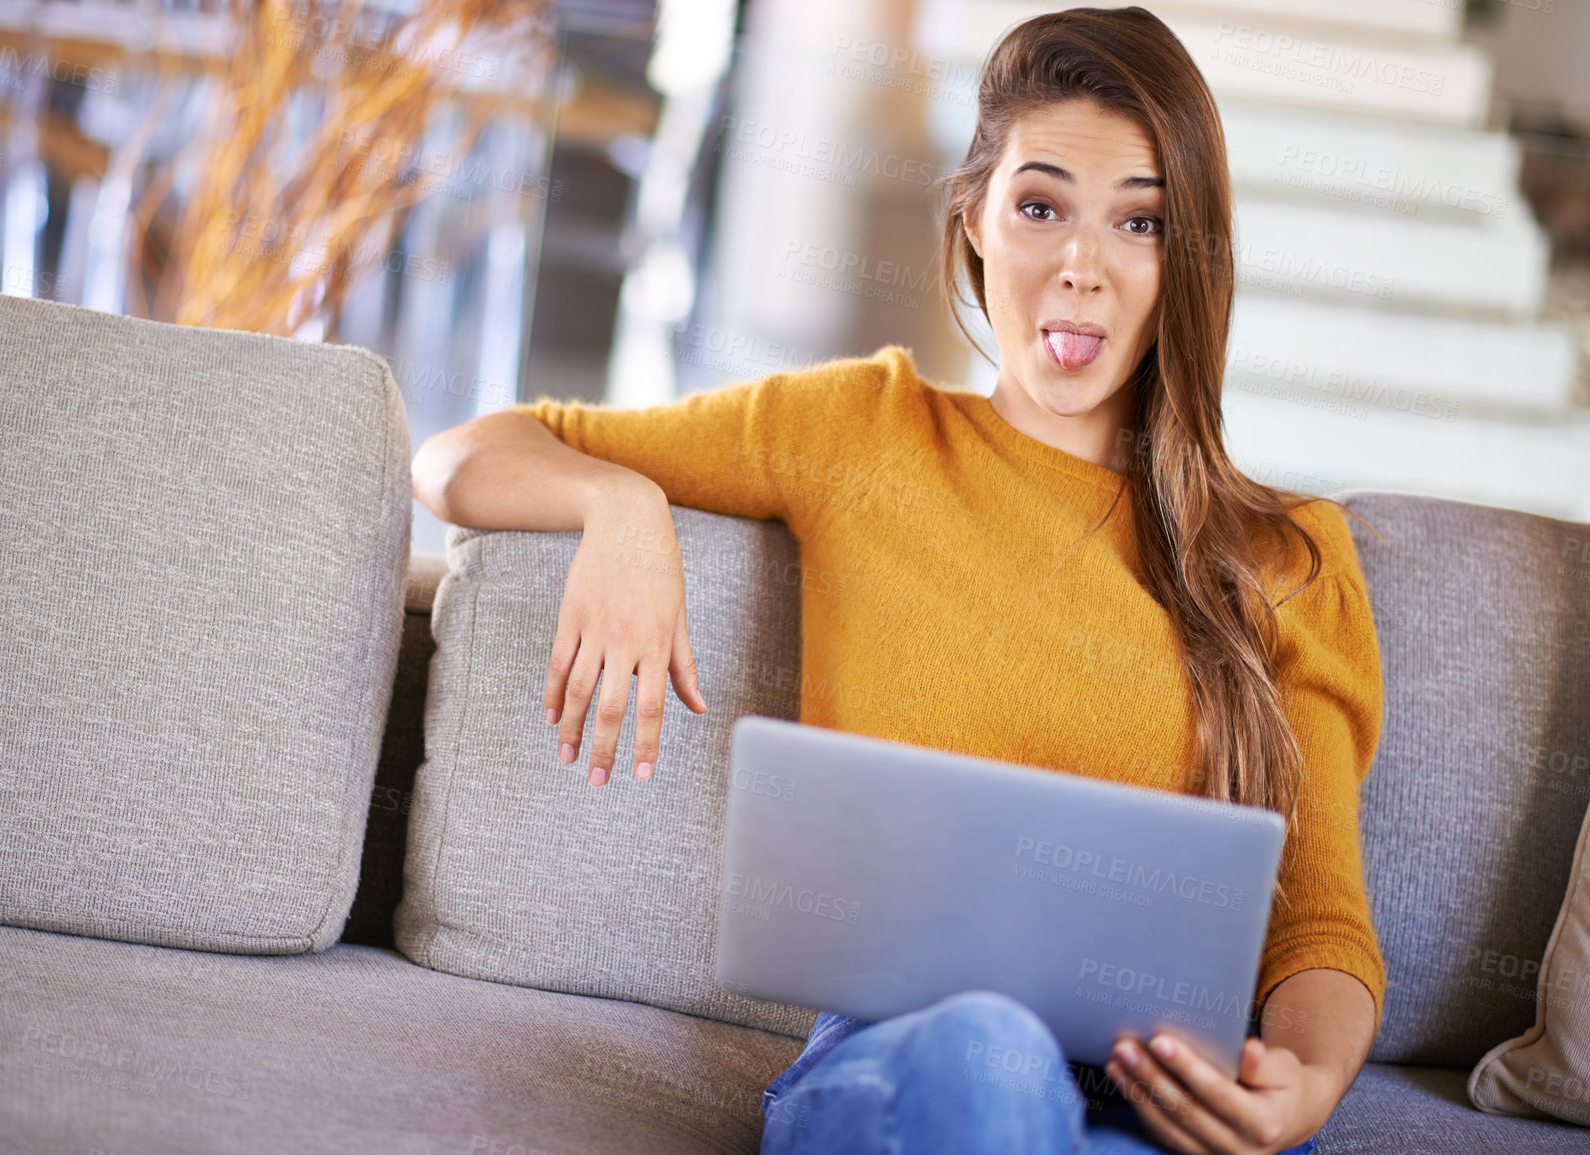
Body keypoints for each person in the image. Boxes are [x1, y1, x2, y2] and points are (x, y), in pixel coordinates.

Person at [411, 7, 1384, 1153]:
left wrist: (1306, 1086)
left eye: (1139, 222)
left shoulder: (1287, 556)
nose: (1080, 266)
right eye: (1040, 206)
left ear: (1189, 256)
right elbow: (463, 454)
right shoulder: (859, 433)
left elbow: (1319, 923)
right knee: (997, 1059)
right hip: (906, 1068)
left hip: (1170, 1103)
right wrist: (616, 504)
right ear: (973, 218)